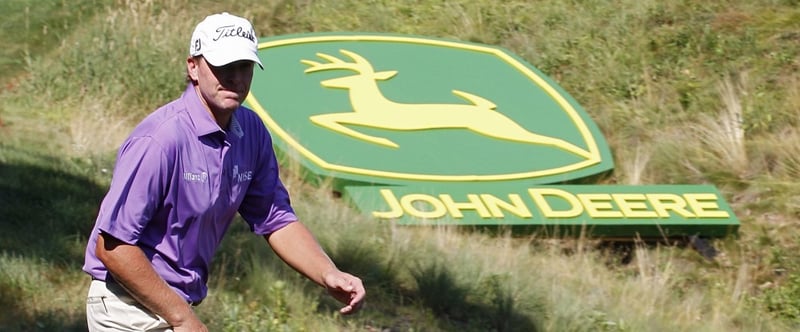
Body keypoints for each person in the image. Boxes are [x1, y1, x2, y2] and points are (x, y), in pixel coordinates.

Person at [82, 12, 365, 331]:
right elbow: (113, 247)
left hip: (174, 303)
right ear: (193, 66)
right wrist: (182, 318)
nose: (235, 78)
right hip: (127, 306)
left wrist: (328, 273)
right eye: (223, 66)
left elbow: (276, 218)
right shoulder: (161, 139)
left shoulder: (252, 132)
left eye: (244, 67)